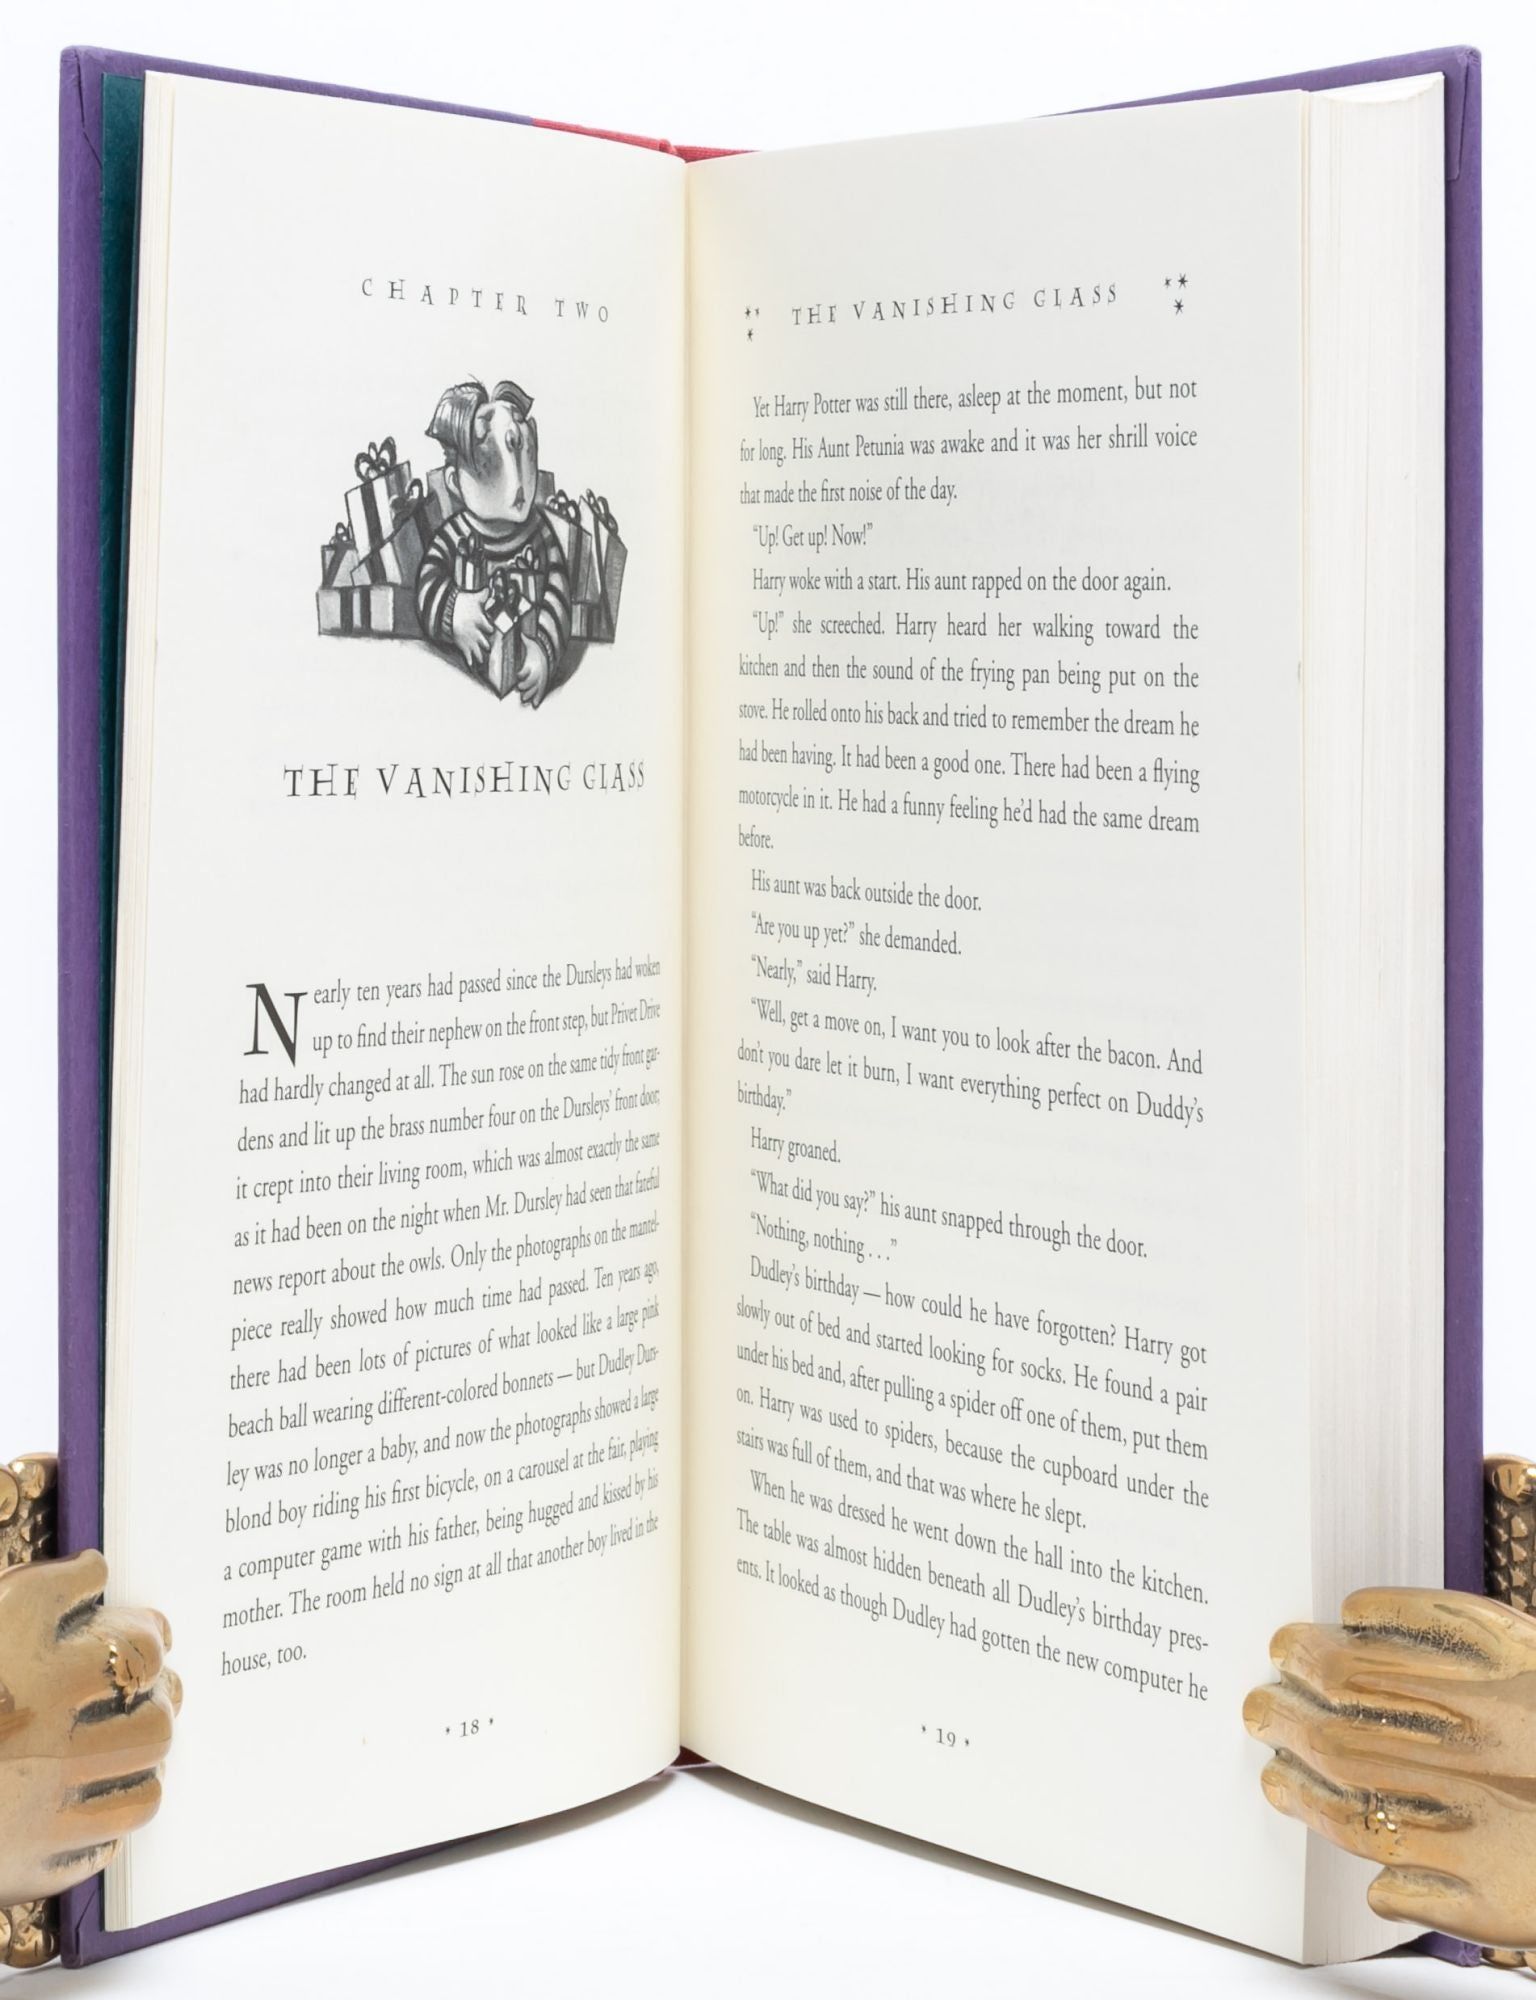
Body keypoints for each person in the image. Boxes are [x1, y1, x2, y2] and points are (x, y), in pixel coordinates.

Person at [415, 378, 573, 706]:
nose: (517, 483)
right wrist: (453, 612)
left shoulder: (540, 534)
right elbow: (428, 582)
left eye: (526, 457)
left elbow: (558, 590)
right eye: (489, 467)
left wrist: (544, 650)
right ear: (455, 483)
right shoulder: (456, 534)